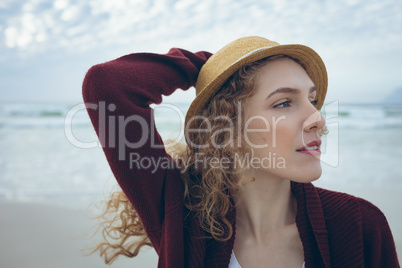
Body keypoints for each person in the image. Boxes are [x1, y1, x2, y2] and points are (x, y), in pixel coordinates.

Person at [82, 36, 400, 267]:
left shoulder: (359, 225)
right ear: (227, 129)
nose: (318, 119)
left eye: (312, 101)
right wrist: (212, 65)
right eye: (284, 103)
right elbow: (107, 85)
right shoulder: (182, 215)